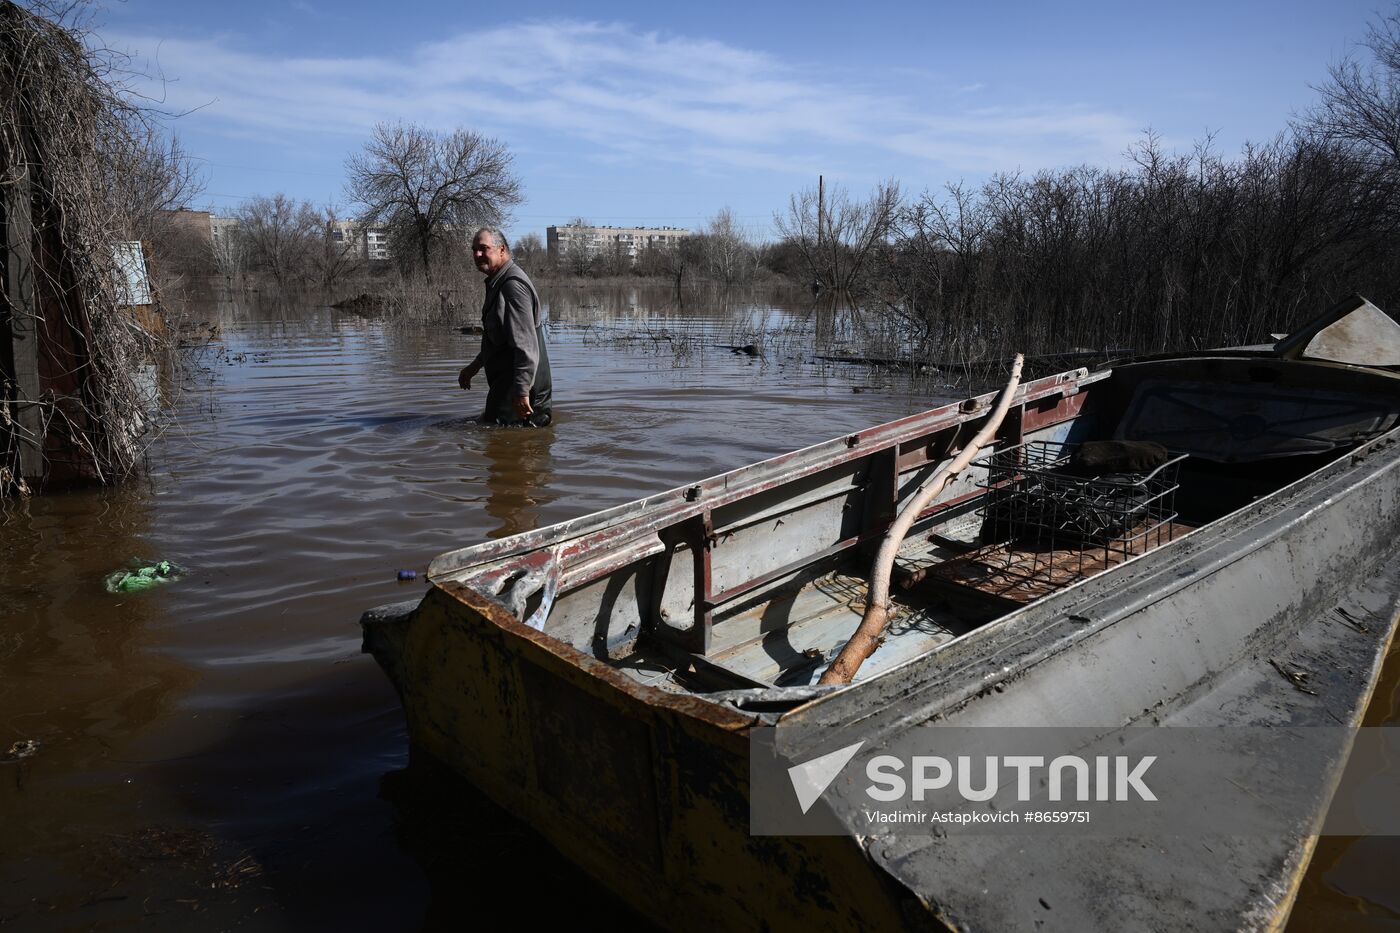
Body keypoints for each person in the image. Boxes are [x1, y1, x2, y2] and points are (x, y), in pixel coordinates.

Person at [458, 228, 553, 426]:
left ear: (502, 250)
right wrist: (474, 367)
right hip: (509, 384)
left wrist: (521, 391)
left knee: (504, 443)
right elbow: (499, 339)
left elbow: (526, 345)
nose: (477, 255)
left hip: (518, 390)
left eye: (484, 248)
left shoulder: (512, 286)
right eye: (474, 249)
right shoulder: (498, 282)